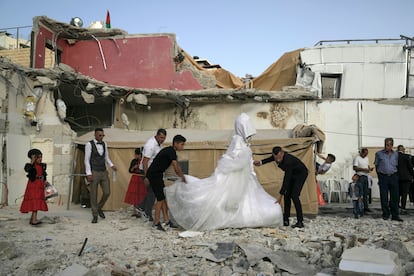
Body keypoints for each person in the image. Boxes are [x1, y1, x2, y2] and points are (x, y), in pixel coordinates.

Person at [165, 113, 283, 231]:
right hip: (237, 177)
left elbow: (243, 159)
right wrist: (241, 161)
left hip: (245, 178)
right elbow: (233, 157)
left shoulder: (244, 142)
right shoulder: (237, 140)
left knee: (257, 203)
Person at [255, 146, 308, 228]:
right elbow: (270, 159)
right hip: (292, 174)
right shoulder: (275, 156)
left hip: (300, 174)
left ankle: (300, 221)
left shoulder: (288, 161)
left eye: (279, 157)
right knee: (287, 196)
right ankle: (286, 219)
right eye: (276, 158)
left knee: (294, 195)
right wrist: (260, 162)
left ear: (282, 153)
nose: (277, 160)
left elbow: (287, 179)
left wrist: (280, 195)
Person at [146, 134, 187, 231]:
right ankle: (156, 223)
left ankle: (166, 220)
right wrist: (183, 177)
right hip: (154, 175)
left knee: (163, 198)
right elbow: (176, 168)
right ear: (176, 143)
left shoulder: (170, 150)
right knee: (160, 199)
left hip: (157, 174)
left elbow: (176, 167)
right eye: (182, 144)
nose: (183, 147)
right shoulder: (171, 152)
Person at [84, 128, 117, 223]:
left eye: (103, 135)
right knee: (93, 194)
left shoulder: (104, 144)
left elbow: (106, 157)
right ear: (95, 135)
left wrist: (111, 165)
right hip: (94, 171)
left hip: (103, 171)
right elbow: (86, 159)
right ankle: (94, 214)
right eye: (100, 135)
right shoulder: (89, 144)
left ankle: (99, 207)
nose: (101, 137)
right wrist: (88, 173)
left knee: (107, 192)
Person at [137, 128, 167, 221]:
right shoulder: (151, 144)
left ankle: (141, 207)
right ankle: (146, 212)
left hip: (153, 171)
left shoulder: (158, 145)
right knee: (153, 192)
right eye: (161, 137)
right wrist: (146, 176)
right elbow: (145, 161)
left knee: (151, 191)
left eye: (164, 138)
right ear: (157, 135)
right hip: (147, 171)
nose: (162, 140)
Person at [374, 138, 402, 221]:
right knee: (384, 196)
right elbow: (376, 165)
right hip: (383, 177)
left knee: (395, 197)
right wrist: (380, 176)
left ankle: (395, 215)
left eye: (388, 145)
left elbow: (398, 166)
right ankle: (386, 214)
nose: (386, 146)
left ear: (392, 145)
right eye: (385, 144)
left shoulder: (396, 154)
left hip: (393, 176)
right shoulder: (379, 154)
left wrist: (396, 176)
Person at [20, 149, 48, 226]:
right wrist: (32, 161)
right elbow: (27, 169)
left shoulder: (42, 165)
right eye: (38, 157)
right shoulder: (30, 165)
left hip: (40, 185)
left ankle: (33, 219)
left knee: (37, 202)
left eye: (41, 157)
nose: (40, 159)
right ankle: (34, 220)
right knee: (35, 202)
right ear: (34, 158)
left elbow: (43, 174)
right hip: (33, 185)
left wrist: (45, 181)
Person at [124, 148, 147, 217]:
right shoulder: (134, 161)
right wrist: (134, 167)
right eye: (136, 154)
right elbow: (130, 170)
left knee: (141, 194)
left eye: (137, 155)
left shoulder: (144, 161)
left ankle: (141, 211)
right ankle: (135, 211)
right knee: (135, 194)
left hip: (142, 178)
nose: (136, 156)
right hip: (135, 178)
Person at [353, 147, 373, 213]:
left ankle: (366, 207)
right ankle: (359, 207)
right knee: (360, 193)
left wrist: (369, 169)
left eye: (367, 154)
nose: (365, 155)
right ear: (361, 152)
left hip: (366, 176)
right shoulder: (357, 158)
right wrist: (364, 169)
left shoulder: (366, 159)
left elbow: (367, 166)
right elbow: (355, 168)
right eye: (365, 154)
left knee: (365, 193)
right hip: (360, 176)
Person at [396, 145, 413, 214]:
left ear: (397, 149)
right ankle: (403, 208)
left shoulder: (394, 157)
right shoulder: (407, 156)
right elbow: (410, 167)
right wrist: (412, 175)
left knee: (397, 194)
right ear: (403, 149)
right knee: (404, 194)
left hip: (397, 178)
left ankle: (396, 207)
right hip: (406, 178)